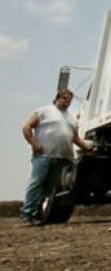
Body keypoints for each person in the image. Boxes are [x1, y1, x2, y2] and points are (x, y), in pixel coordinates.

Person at [20, 89, 95, 224]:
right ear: (57, 98)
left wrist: (87, 147)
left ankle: (37, 213)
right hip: (45, 155)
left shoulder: (71, 118)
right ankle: (27, 213)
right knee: (37, 183)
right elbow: (26, 127)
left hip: (63, 158)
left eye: (70, 100)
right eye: (65, 99)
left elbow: (75, 139)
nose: (67, 102)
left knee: (51, 188)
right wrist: (34, 143)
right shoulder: (44, 112)